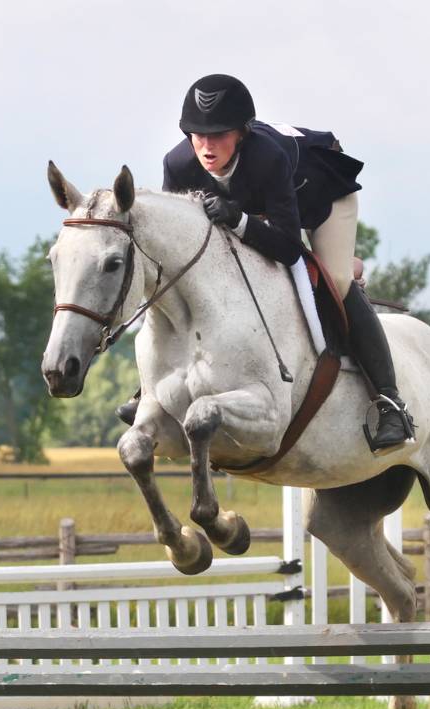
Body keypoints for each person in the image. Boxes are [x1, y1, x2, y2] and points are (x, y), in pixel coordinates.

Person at [118, 73, 414, 455]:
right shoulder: (178, 164)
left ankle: (391, 403)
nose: (207, 147)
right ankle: (150, 387)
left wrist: (240, 220)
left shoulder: (267, 158)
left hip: (319, 198)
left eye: (219, 135)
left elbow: (290, 248)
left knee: (335, 280)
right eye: (198, 135)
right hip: (260, 207)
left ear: (241, 133)